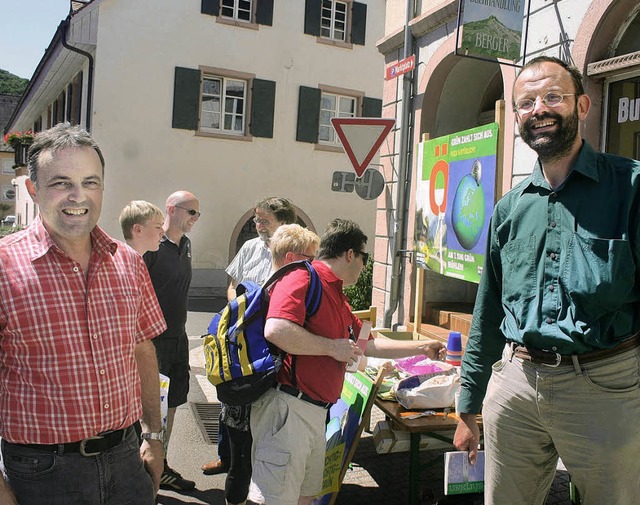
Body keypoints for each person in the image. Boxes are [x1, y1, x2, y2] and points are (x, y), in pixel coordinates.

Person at [453, 56, 640, 505]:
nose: (540, 108)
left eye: (553, 97)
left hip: (605, 384)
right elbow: (489, 311)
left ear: (582, 106)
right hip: (515, 382)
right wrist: (469, 403)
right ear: (516, 117)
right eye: (527, 102)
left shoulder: (630, 187)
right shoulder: (508, 209)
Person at [0, 123, 167, 505]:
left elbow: (142, 350)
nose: (79, 196)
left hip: (127, 458)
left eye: (90, 182)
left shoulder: (128, 262)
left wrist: (154, 437)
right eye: (61, 182)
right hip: (43, 473)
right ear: (32, 189)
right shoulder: (4, 265)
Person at [250, 218, 446, 505]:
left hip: (316, 413)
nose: (365, 266)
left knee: (306, 498)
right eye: (365, 258)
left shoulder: (334, 292)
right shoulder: (302, 278)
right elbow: (276, 329)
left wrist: (423, 346)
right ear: (350, 254)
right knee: (276, 500)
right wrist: (332, 348)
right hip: (289, 411)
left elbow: (370, 344)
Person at [221, 224, 321, 505]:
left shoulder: (263, 290)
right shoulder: (283, 293)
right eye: (309, 258)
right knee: (262, 485)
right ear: (292, 258)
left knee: (244, 468)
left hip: (246, 394)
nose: (313, 265)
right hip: (267, 399)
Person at [202, 196, 297, 476]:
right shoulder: (249, 247)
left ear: (284, 223)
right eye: (257, 218)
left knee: (260, 397)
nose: (257, 224)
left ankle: (254, 462)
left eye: (264, 220)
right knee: (230, 391)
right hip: (237, 331)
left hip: (266, 337)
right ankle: (226, 457)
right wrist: (238, 308)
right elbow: (232, 284)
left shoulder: (291, 254)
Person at [144, 190, 200, 492]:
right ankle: (145, 471)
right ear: (172, 209)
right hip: (154, 343)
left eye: (197, 214)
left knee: (173, 403)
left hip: (178, 340)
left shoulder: (187, 245)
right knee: (152, 408)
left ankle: (160, 467)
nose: (194, 219)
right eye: (190, 212)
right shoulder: (154, 245)